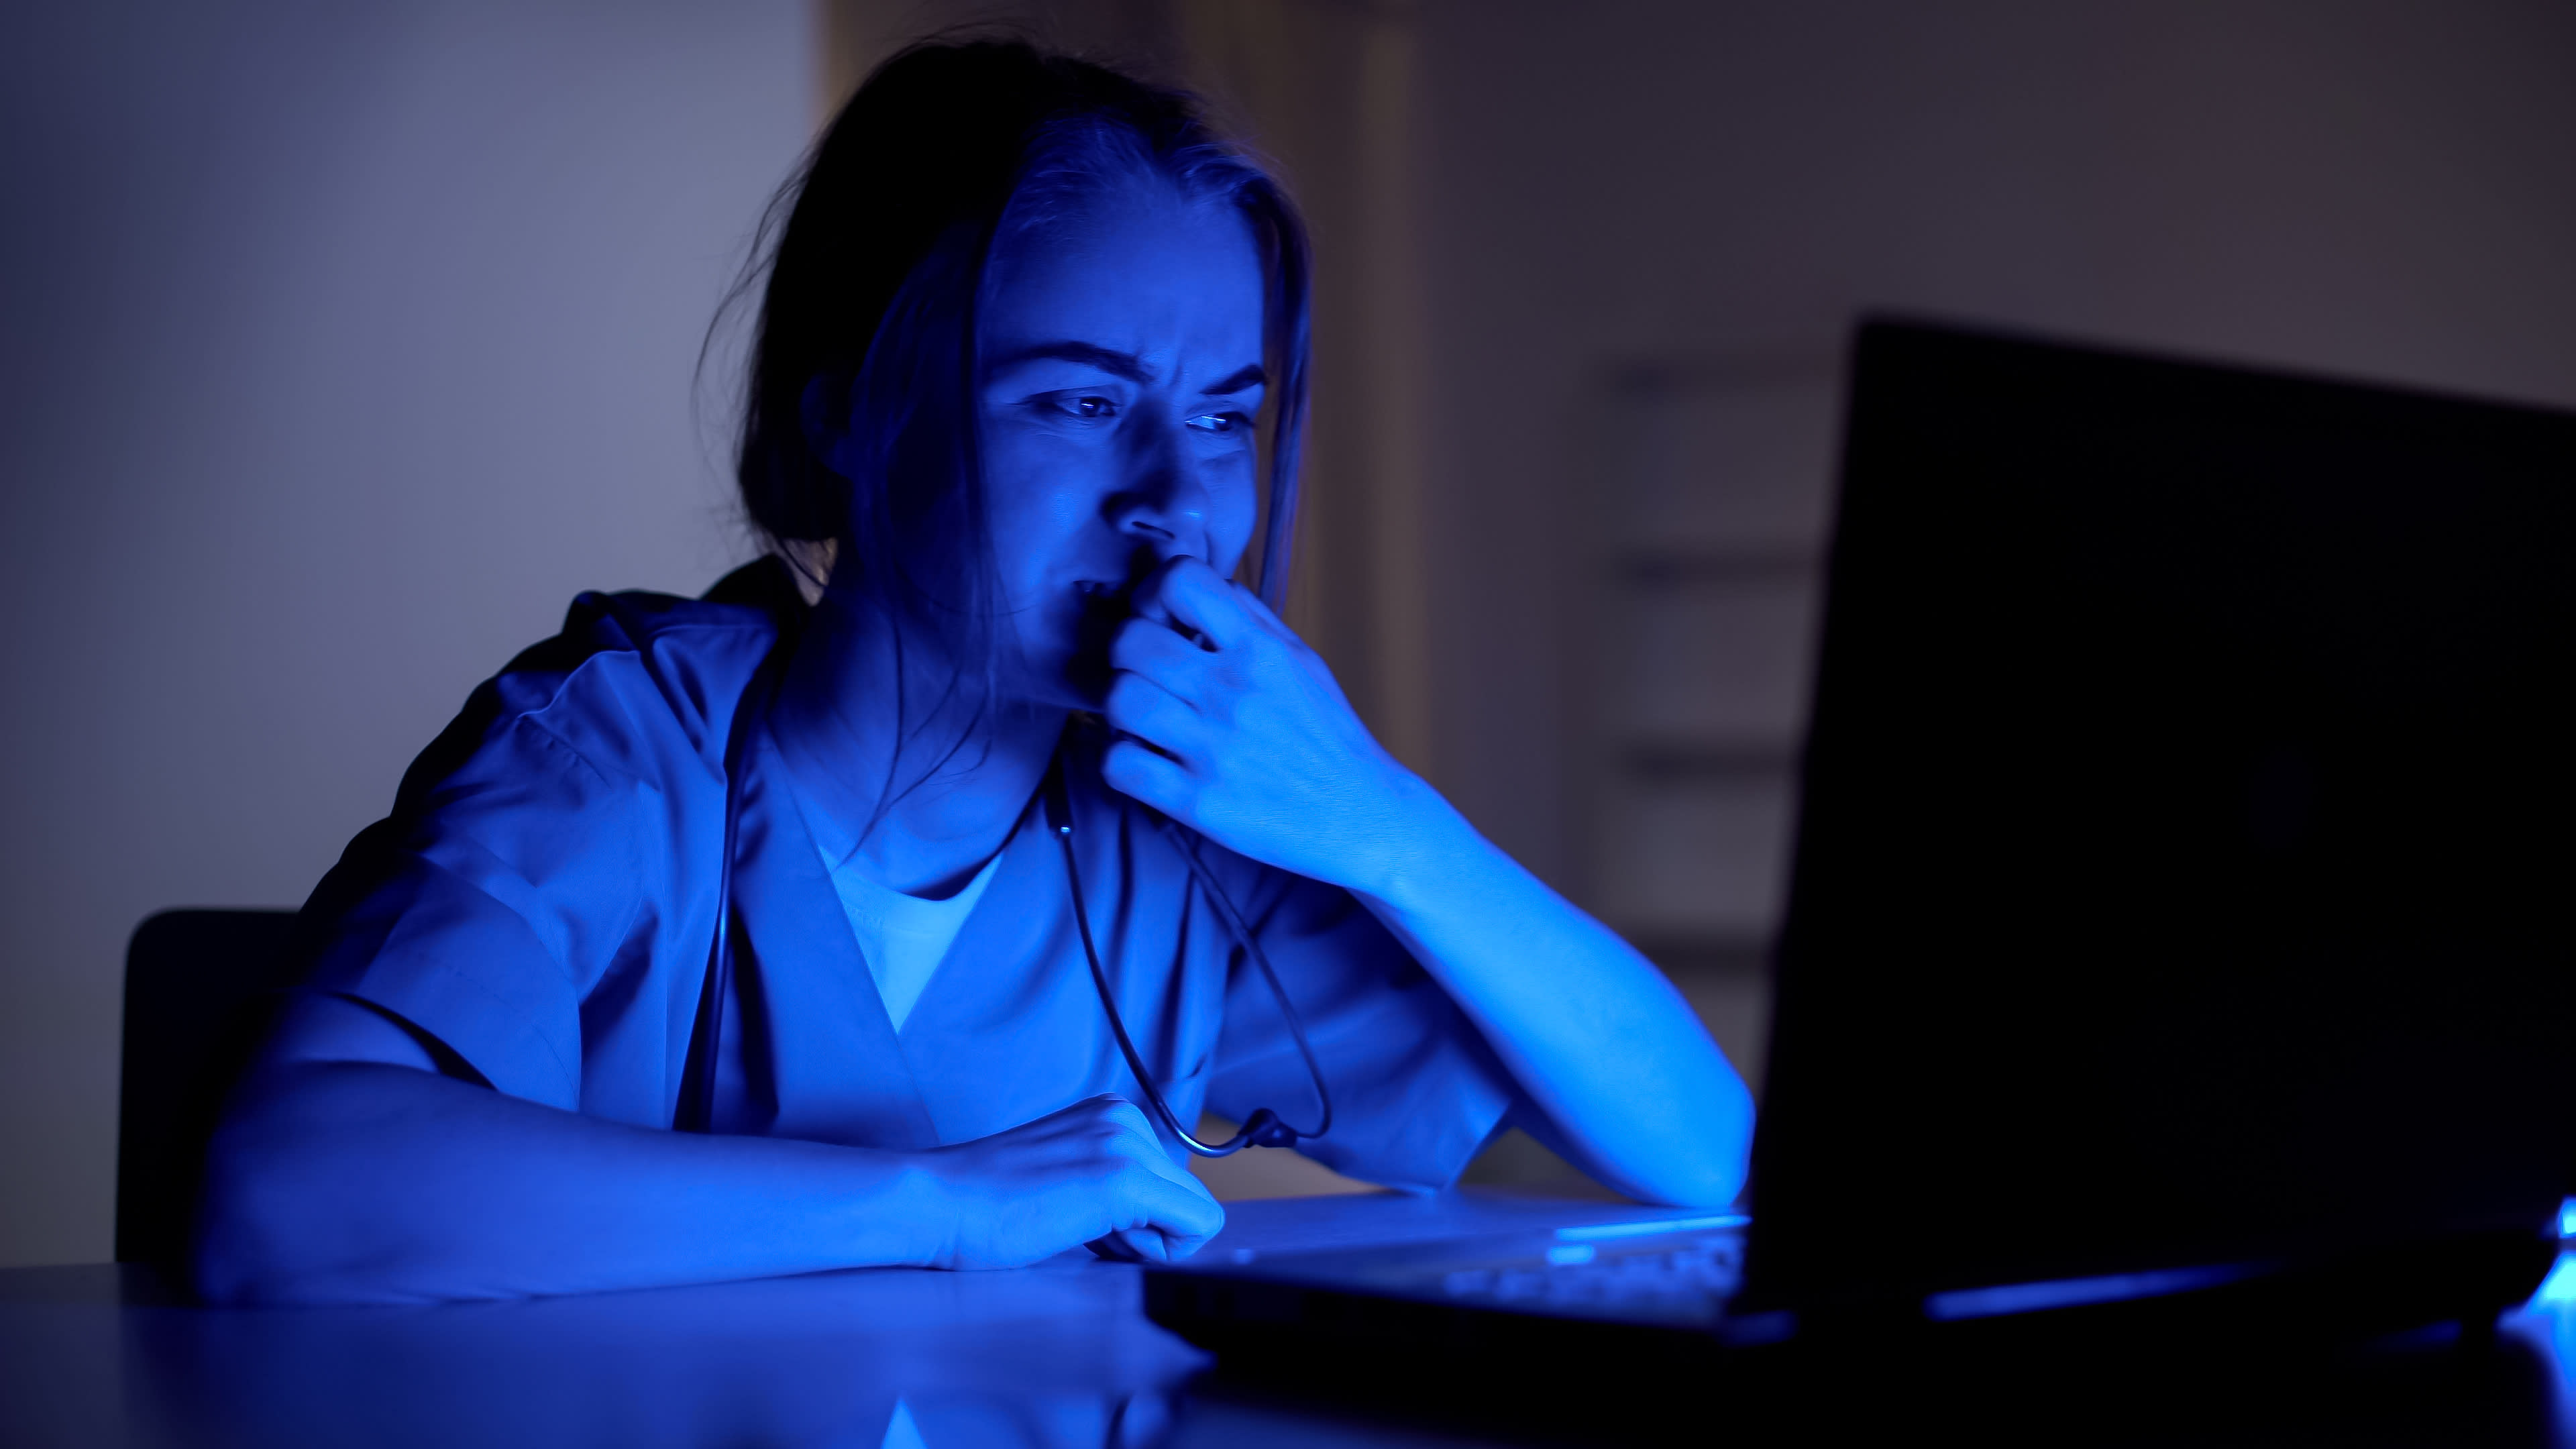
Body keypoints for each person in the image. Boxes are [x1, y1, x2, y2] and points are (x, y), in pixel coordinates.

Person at [193, 38, 1753, 1305]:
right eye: (1078, 406)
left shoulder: (1179, 850)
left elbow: (1703, 1152)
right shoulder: (622, 751)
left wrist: (1381, 822)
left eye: (1225, 417)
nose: (1177, 499)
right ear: (847, 419)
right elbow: (286, 1196)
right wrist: (945, 1204)